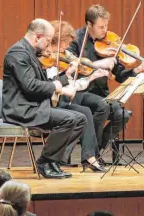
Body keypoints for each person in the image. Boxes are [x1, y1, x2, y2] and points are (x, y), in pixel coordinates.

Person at [2, 18, 86, 179]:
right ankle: (45, 161)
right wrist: (56, 87)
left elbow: (41, 83)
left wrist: (64, 77)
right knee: (68, 119)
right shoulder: (18, 53)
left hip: (33, 105)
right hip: (21, 109)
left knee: (80, 118)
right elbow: (31, 86)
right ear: (37, 37)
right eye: (47, 40)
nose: (49, 45)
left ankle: (54, 161)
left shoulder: (28, 52)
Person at [68, 4, 144, 151]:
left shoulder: (110, 43)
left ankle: (96, 150)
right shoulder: (75, 40)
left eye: (106, 26)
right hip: (80, 93)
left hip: (101, 93)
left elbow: (120, 76)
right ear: (89, 24)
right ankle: (91, 154)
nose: (105, 30)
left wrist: (138, 69)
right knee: (103, 107)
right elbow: (71, 69)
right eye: (101, 27)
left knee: (122, 114)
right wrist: (99, 64)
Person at [43, 20, 109, 172]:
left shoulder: (62, 57)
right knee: (83, 112)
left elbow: (71, 85)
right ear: (57, 40)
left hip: (60, 101)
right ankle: (60, 159)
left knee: (85, 111)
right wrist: (67, 74)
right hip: (47, 103)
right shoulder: (47, 59)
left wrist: (90, 77)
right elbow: (51, 84)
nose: (67, 48)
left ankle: (89, 158)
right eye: (65, 43)